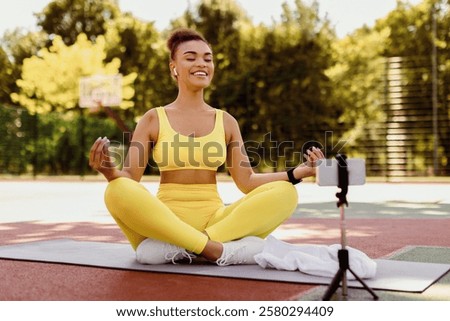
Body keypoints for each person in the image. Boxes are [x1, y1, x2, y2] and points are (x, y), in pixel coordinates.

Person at [89, 28, 324, 266]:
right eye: (190, 58)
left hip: (215, 221)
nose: (201, 63)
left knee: (286, 193)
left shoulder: (226, 121)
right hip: (165, 220)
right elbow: (130, 178)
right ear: (174, 67)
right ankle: (214, 250)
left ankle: (193, 245)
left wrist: (298, 172)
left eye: (208, 58)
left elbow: (247, 181)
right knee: (116, 190)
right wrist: (110, 173)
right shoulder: (153, 118)